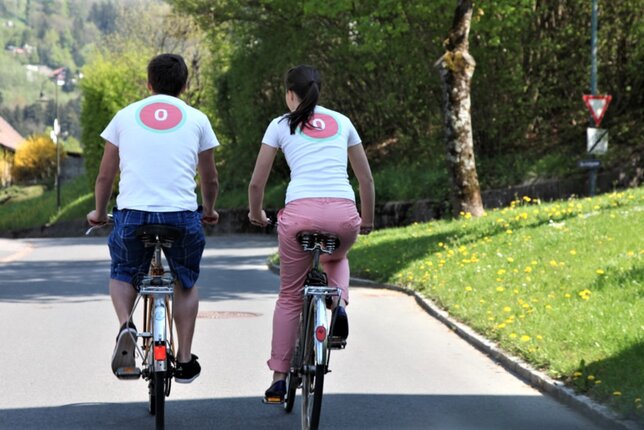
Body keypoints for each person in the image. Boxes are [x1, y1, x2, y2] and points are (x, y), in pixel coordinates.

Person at [87, 53, 220, 383]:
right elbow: (210, 177)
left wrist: (100, 213)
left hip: (133, 214)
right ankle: (185, 359)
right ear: (185, 86)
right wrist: (209, 209)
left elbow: (105, 176)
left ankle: (126, 326)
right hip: (181, 216)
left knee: (122, 272)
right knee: (185, 281)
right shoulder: (198, 119)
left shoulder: (124, 117)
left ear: (149, 85)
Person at [248, 64, 375, 402]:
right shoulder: (342, 122)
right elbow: (366, 180)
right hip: (343, 213)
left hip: (299, 215)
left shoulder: (280, 125)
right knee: (337, 255)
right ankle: (339, 303)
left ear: (290, 94)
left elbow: (257, 182)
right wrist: (367, 220)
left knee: (290, 296)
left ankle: (279, 376)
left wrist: (256, 212)